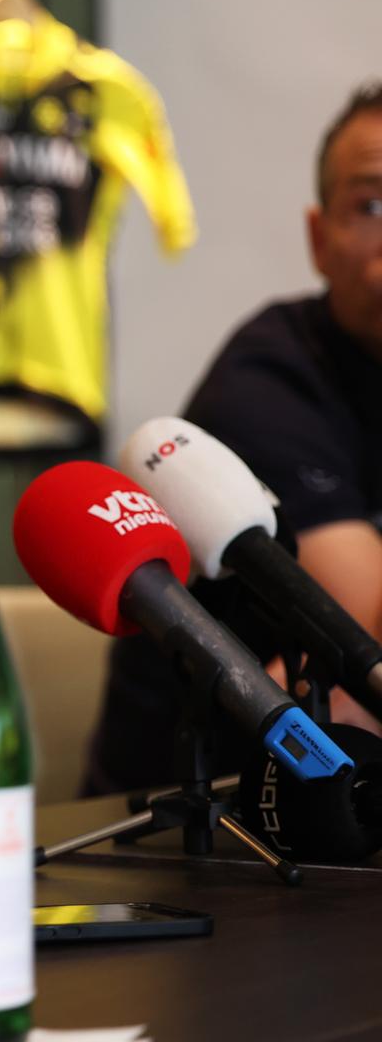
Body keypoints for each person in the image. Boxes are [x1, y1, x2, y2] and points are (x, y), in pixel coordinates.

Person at [86, 81, 382, 793]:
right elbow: (366, 658)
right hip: (180, 834)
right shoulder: (269, 379)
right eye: (370, 206)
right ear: (318, 238)